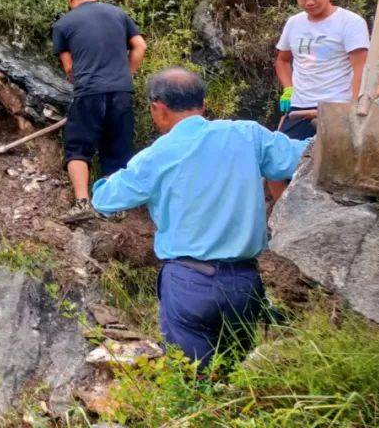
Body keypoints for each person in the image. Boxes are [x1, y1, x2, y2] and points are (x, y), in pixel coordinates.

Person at [92, 68, 308, 369]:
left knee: (192, 378)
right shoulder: (248, 135)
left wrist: (101, 181)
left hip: (188, 283)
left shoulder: (156, 156)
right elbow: (304, 156)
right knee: (235, 376)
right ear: (203, 104)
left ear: (158, 108)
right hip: (243, 284)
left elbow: (105, 200)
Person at [52, 0, 147, 223]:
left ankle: (83, 203)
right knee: (117, 150)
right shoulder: (118, 14)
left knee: (77, 149)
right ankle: (112, 207)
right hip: (121, 92)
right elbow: (140, 46)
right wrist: (127, 74)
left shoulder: (63, 24)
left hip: (89, 93)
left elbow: (69, 67)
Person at [275, 0, 369, 140]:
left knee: (336, 162)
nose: (309, 2)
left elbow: (361, 68)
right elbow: (283, 60)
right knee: (285, 159)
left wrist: (354, 108)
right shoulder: (294, 23)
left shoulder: (350, 23)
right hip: (299, 108)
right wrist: (288, 89)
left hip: (336, 107)